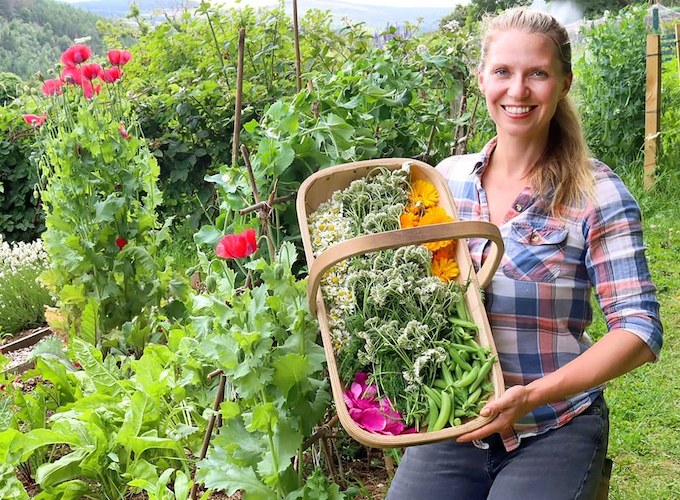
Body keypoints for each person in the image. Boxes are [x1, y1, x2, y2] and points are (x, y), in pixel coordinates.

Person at [386, 7, 663, 500]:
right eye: (503, 72)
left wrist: (533, 395)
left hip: (554, 423)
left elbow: (639, 329)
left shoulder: (598, 195)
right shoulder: (443, 181)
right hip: (455, 417)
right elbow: (412, 293)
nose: (517, 91)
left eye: (537, 73)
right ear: (482, 80)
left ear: (564, 84)